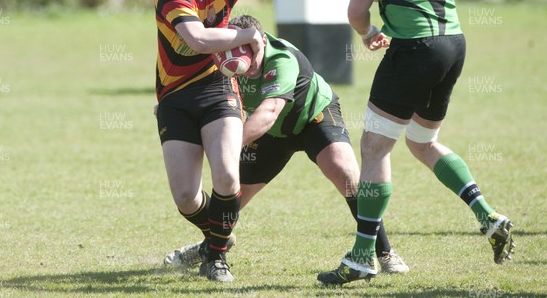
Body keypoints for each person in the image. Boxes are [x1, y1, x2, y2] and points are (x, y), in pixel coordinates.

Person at [309, 0, 515, 285]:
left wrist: (368, 32)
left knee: (373, 146)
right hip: (453, 46)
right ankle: (488, 217)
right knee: (421, 141)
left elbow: (360, 9)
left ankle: (363, 256)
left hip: (415, 50)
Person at [154, 0, 352, 282]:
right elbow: (197, 40)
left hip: (216, 88)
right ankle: (219, 235)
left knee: (228, 175)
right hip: (175, 96)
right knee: (186, 197)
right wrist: (247, 36)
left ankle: (215, 257)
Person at [164, 14, 409, 275]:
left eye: (246, 52)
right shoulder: (223, 61)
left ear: (258, 41)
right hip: (271, 136)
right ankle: (210, 249)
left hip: (313, 118)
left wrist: (227, 148)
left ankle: (385, 252)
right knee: (231, 195)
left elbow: (269, 112)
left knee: (345, 172)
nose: (242, 63)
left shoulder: (281, 58)